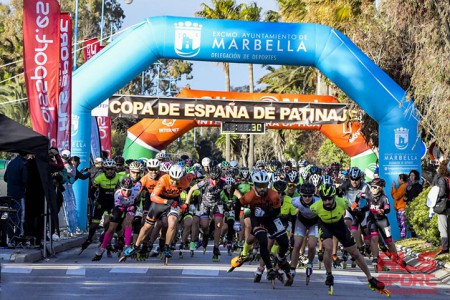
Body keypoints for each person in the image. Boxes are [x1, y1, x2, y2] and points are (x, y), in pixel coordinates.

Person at [309, 182, 386, 292]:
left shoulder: (342, 202)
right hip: (325, 226)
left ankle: (370, 278)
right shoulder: (315, 207)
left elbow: (352, 209)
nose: (327, 202)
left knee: (355, 253)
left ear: (334, 197)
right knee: (329, 248)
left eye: (329, 199)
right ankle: (329, 274)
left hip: (339, 226)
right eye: (324, 199)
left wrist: (358, 202)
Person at [4, 152, 28, 247]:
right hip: (20, 194)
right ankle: (18, 238)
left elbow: (6, 178)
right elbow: (25, 181)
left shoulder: (11, 163)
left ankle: (11, 238)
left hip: (10, 194)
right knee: (20, 217)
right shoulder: (23, 164)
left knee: (10, 216)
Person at [432, 159, 450, 255]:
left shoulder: (442, 178)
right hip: (448, 204)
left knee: (443, 227)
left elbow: (441, 192)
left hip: (443, 205)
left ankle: (444, 248)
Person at [391, 174, 408, 239]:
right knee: (401, 225)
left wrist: (394, 187)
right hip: (399, 209)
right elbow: (394, 195)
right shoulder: (401, 186)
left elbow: (396, 196)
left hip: (402, 209)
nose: (397, 180)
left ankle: (403, 239)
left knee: (402, 225)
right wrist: (393, 188)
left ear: (401, 179)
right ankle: (403, 238)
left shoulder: (403, 186)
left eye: (398, 179)